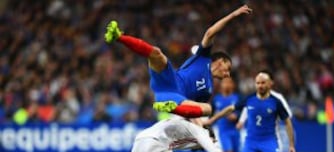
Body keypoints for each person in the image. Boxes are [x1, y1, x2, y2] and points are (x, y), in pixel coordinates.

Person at [104, 5, 252, 118]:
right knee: (157, 54)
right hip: (170, 80)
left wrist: (203, 130)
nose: (227, 74)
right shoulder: (203, 57)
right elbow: (210, 32)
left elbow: (193, 109)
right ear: (220, 61)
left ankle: (169, 107)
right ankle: (118, 36)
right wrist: (234, 14)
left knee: (208, 109)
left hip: (176, 99)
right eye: (228, 68)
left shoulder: (209, 91)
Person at [210, 77, 241, 152]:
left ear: (233, 85)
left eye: (229, 82)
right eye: (225, 82)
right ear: (221, 85)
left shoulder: (237, 98)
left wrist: (236, 116)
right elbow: (211, 114)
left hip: (235, 131)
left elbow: (243, 112)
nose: (227, 85)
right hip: (223, 132)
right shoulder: (216, 99)